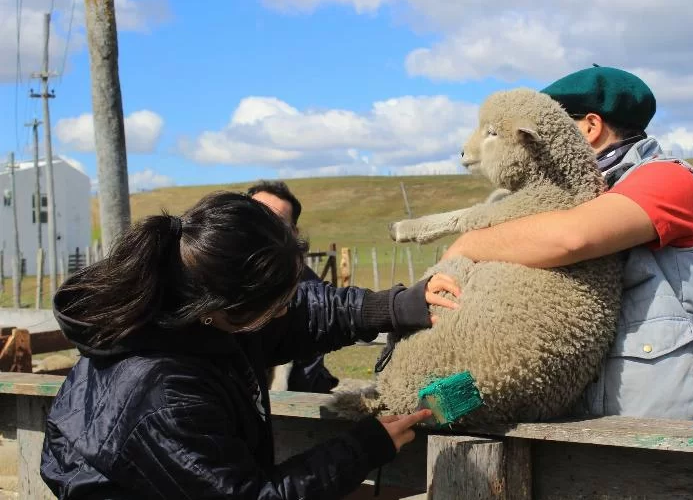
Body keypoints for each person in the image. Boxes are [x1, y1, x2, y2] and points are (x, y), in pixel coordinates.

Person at [40, 191, 461, 499]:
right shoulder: (166, 395)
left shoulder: (188, 311)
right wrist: (363, 447)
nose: (285, 312)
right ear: (226, 309)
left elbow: (306, 314)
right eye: (277, 304)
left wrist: (392, 305)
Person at [442, 65, 693, 421]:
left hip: (651, 429)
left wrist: (467, 245)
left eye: (549, 124)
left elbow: (571, 237)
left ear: (590, 127)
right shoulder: (569, 195)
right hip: (567, 420)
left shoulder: (667, 179)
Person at [247, 180, 339, 394]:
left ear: (293, 233)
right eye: (255, 216)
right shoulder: (213, 272)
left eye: (276, 222)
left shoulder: (311, 289)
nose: (263, 228)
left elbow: (306, 373)